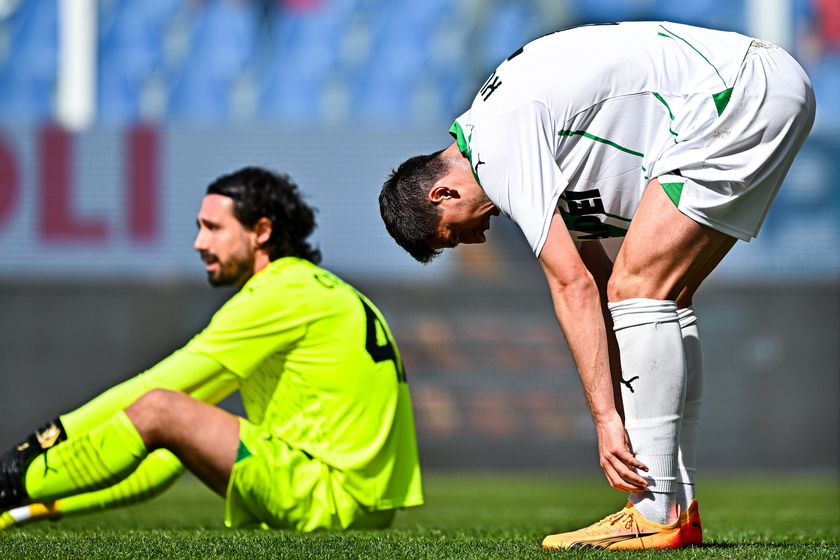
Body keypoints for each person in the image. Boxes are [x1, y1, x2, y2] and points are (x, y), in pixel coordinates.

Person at [379, 21, 815, 549]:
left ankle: (652, 514)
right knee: (663, 297)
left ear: (441, 194)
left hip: (739, 93)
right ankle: (676, 508)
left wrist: (607, 421)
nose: (474, 241)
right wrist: (626, 405)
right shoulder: (525, 143)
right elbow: (602, 283)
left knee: (642, 288)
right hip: (756, 86)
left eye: (453, 234)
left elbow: (574, 288)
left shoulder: (498, 142)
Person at [0, 166, 423, 531]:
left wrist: (37, 447)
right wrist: (30, 505)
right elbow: (168, 449)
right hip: (363, 505)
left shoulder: (278, 294)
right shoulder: (319, 287)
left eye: (214, 228)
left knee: (160, 407)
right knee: (177, 422)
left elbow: (159, 387)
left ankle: (13, 487)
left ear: (261, 232)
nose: (200, 243)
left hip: (325, 496)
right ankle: (18, 507)